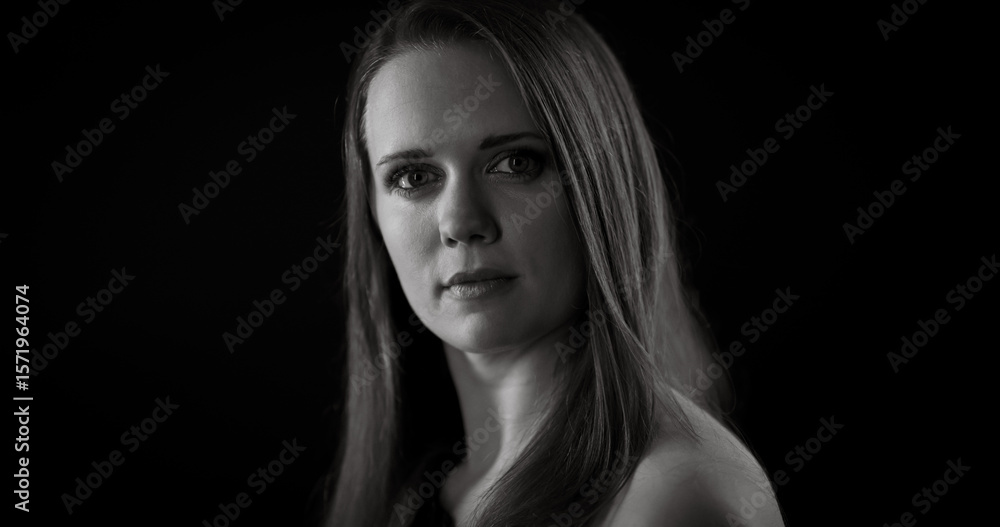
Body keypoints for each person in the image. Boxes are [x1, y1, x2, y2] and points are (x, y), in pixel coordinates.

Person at [323, 1, 785, 525]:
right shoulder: (415, 489)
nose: (460, 221)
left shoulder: (671, 499)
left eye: (516, 162)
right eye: (412, 177)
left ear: (599, 188)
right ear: (373, 213)